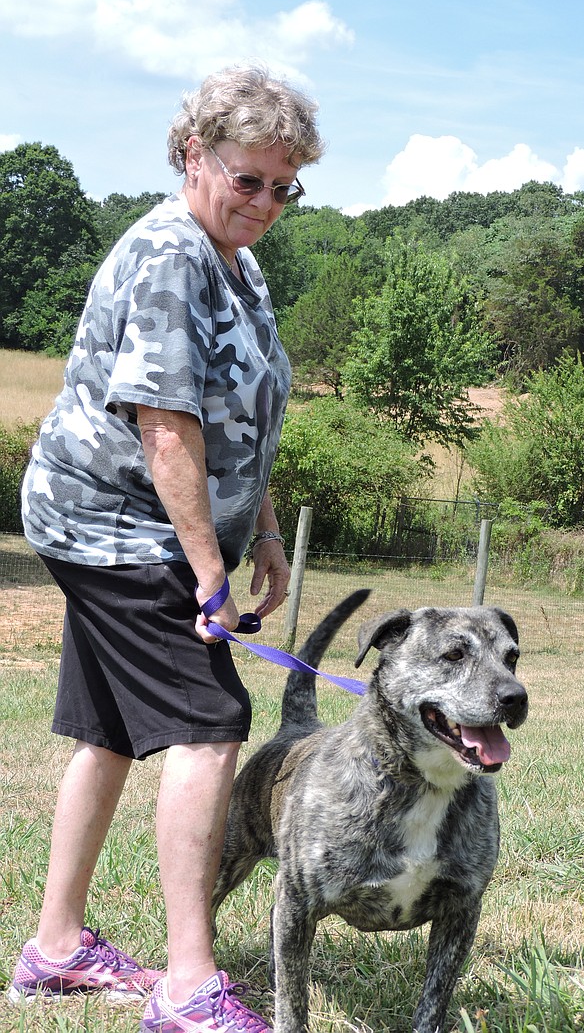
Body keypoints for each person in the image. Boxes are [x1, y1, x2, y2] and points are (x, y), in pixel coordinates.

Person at [9, 63, 324, 1032]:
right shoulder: (166, 257)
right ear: (194, 154)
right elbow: (166, 428)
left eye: (285, 185)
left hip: (147, 521)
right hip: (114, 522)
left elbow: (247, 413)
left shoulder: (240, 262)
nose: (266, 202)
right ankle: (190, 985)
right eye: (248, 179)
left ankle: (56, 947)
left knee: (107, 727)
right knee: (208, 720)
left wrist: (263, 527)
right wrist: (207, 574)